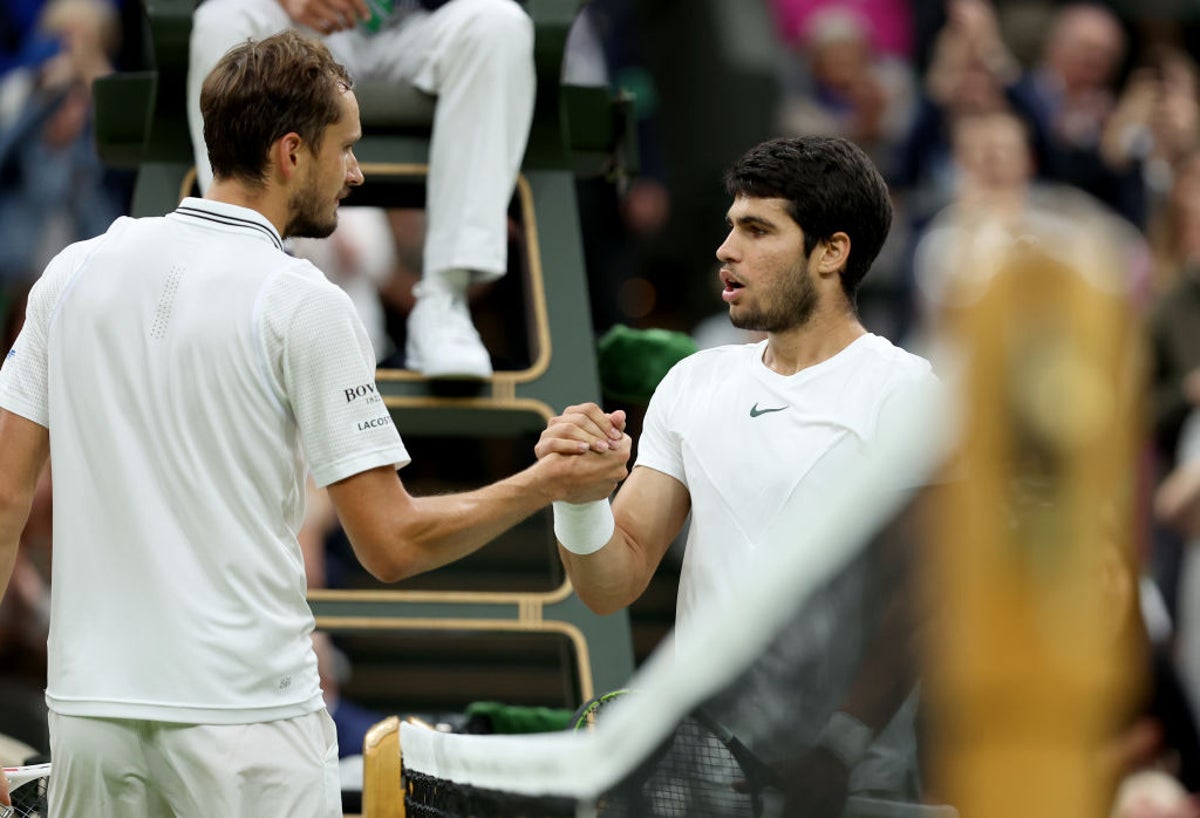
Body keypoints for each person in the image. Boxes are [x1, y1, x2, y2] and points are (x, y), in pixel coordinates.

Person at [0, 31, 628, 818]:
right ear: (292, 153)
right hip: (247, 729)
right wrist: (547, 483)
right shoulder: (304, 303)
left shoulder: (71, 273)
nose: (358, 172)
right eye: (347, 149)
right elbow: (392, 543)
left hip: (91, 722)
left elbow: (1, 502)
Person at [536, 135, 940, 817]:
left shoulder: (906, 392)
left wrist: (838, 747)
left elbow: (927, 599)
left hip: (846, 787)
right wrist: (578, 500)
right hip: (709, 778)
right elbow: (613, 580)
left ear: (831, 253)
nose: (726, 249)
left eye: (757, 229)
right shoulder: (695, 381)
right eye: (730, 227)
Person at [187, 0, 536, 379]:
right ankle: (247, 280)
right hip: (298, 28)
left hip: (417, 27)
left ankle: (445, 298)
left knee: (500, 25)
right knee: (222, 20)